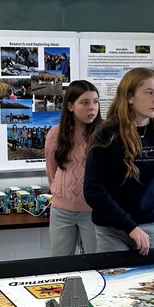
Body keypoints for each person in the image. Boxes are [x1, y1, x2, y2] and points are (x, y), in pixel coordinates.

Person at [83, 68, 154, 255]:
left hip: (151, 224)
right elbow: (93, 190)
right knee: (116, 282)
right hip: (112, 229)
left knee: (153, 282)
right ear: (129, 97)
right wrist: (129, 226)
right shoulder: (106, 136)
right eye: (149, 92)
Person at [45, 79, 101, 256]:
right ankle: (72, 287)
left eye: (95, 102)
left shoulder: (105, 133)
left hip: (94, 210)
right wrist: (61, 194)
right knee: (61, 265)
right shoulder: (56, 133)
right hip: (62, 210)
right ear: (70, 106)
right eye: (84, 103)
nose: (92, 108)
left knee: (96, 264)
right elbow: (51, 171)